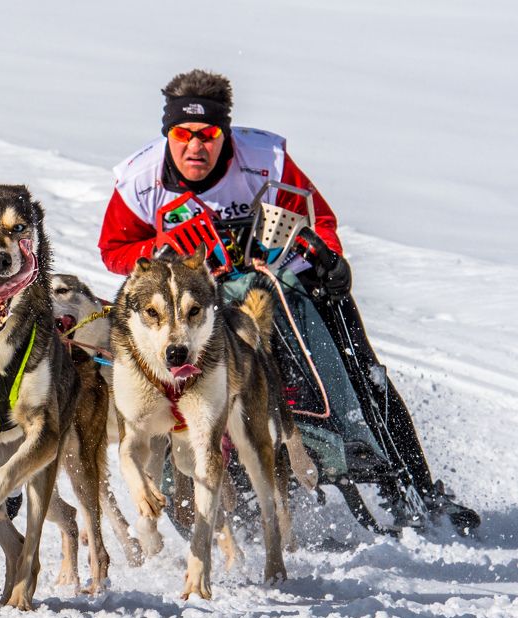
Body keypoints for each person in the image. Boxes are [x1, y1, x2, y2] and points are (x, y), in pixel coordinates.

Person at [98, 69, 478, 535]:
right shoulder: (140, 179)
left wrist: (329, 256)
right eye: (183, 134)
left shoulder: (266, 159)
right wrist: (160, 249)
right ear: (168, 135)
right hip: (201, 306)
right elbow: (113, 249)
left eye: (208, 135)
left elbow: (320, 218)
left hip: (287, 286)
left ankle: (413, 489)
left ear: (225, 134)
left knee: (365, 376)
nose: (195, 147)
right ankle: (229, 504)